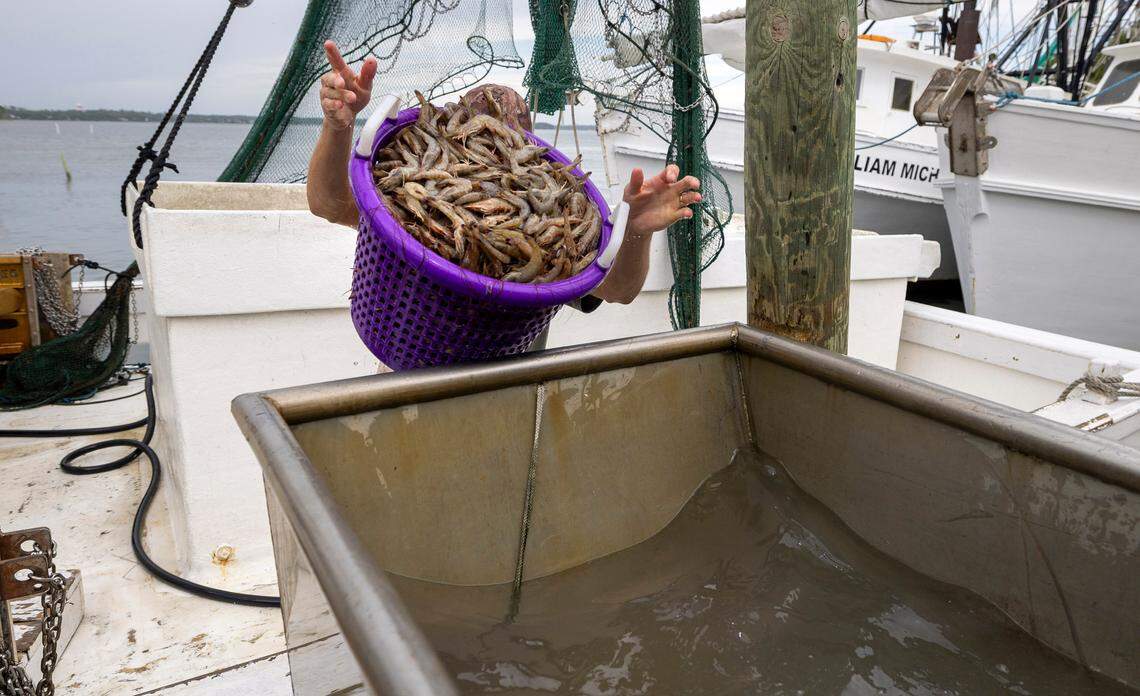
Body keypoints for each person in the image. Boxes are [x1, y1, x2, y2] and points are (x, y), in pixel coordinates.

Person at [307, 41, 701, 316]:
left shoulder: (551, 225)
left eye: (503, 145)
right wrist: (339, 127)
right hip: (408, 370)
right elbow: (328, 204)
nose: (496, 161)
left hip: (506, 385)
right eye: (484, 144)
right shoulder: (401, 208)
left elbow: (618, 290)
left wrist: (636, 230)